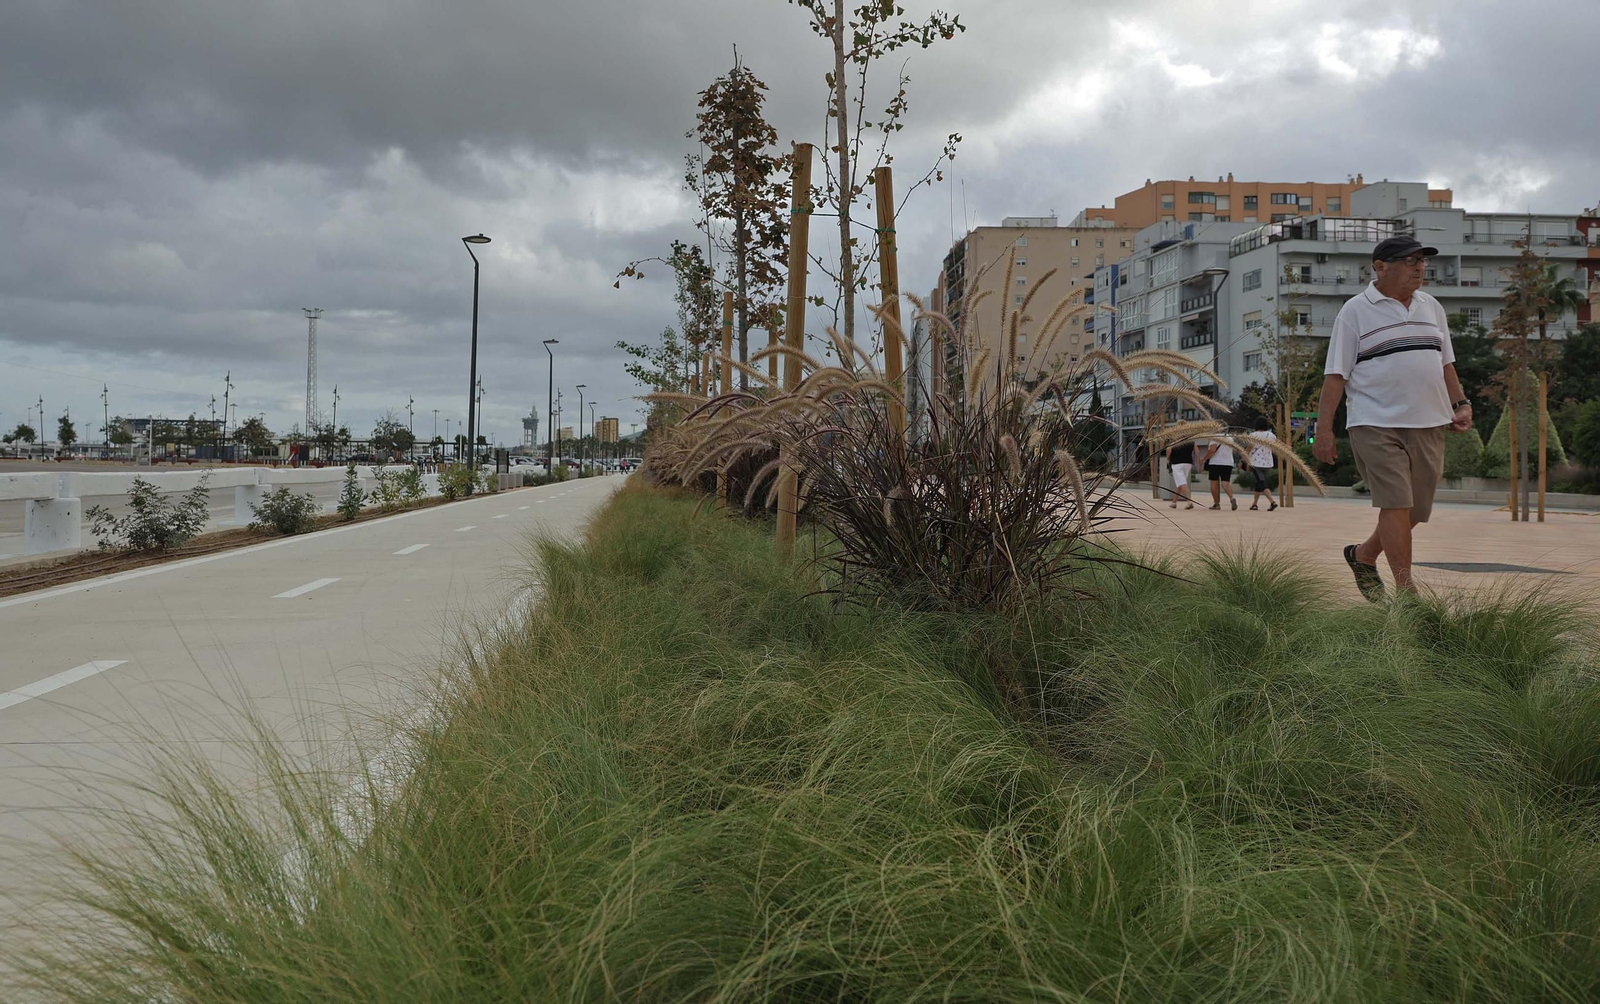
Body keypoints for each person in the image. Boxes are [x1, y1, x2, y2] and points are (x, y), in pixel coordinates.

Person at [1314, 235, 1474, 600]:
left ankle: (1363, 555)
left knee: (1415, 508)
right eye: (1408, 261)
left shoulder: (1431, 307)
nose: (1418, 268)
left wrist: (1460, 403)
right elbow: (1335, 375)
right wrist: (1323, 431)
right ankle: (1407, 592)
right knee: (1396, 503)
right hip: (1374, 421)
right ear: (1381, 267)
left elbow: (1445, 362)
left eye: (1421, 261)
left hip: (1430, 421)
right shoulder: (1354, 311)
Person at [1245, 416, 1279, 511]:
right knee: (1258, 483)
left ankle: (1272, 502)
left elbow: (1249, 448)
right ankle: (1254, 504)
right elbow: (1277, 446)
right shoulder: (1272, 435)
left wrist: (1244, 459)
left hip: (1256, 463)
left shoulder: (1253, 435)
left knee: (1261, 483)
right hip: (1268, 463)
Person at [1199, 437, 1238, 510]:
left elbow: (1212, 450)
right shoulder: (1230, 438)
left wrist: (1204, 459)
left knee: (1214, 484)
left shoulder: (1215, 438)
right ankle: (1232, 498)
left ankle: (1216, 504)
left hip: (1215, 463)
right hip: (1228, 463)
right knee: (1225, 484)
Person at [1166, 438, 1196, 509]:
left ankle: (1189, 501)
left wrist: (1168, 459)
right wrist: (1199, 462)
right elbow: (1196, 451)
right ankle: (1174, 502)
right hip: (1188, 463)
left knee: (1182, 482)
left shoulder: (1175, 441)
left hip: (1177, 463)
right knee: (1181, 483)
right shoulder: (1191, 442)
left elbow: (1168, 449)